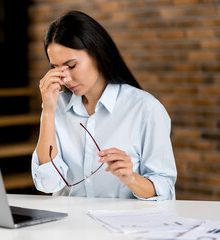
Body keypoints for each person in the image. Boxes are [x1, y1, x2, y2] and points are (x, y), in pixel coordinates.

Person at [31, 10, 177, 200]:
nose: (64, 77)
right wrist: (48, 112)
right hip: (69, 225)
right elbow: (47, 183)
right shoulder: (55, 106)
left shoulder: (145, 108)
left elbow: (165, 188)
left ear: (97, 54)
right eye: (55, 68)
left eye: (72, 65)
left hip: (125, 225)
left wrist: (131, 178)